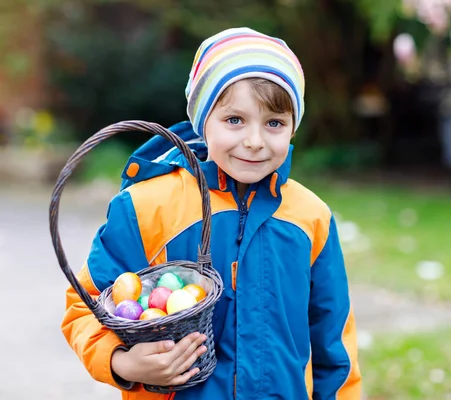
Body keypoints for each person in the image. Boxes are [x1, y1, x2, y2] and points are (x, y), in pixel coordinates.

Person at [61, 27, 362, 400]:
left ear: (293, 128)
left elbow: (334, 343)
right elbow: (84, 303)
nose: (254, 141)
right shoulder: (146, 207)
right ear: (203, 122)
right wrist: (122, 361)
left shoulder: (310, 217)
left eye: (274, 123)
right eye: (234, 120)